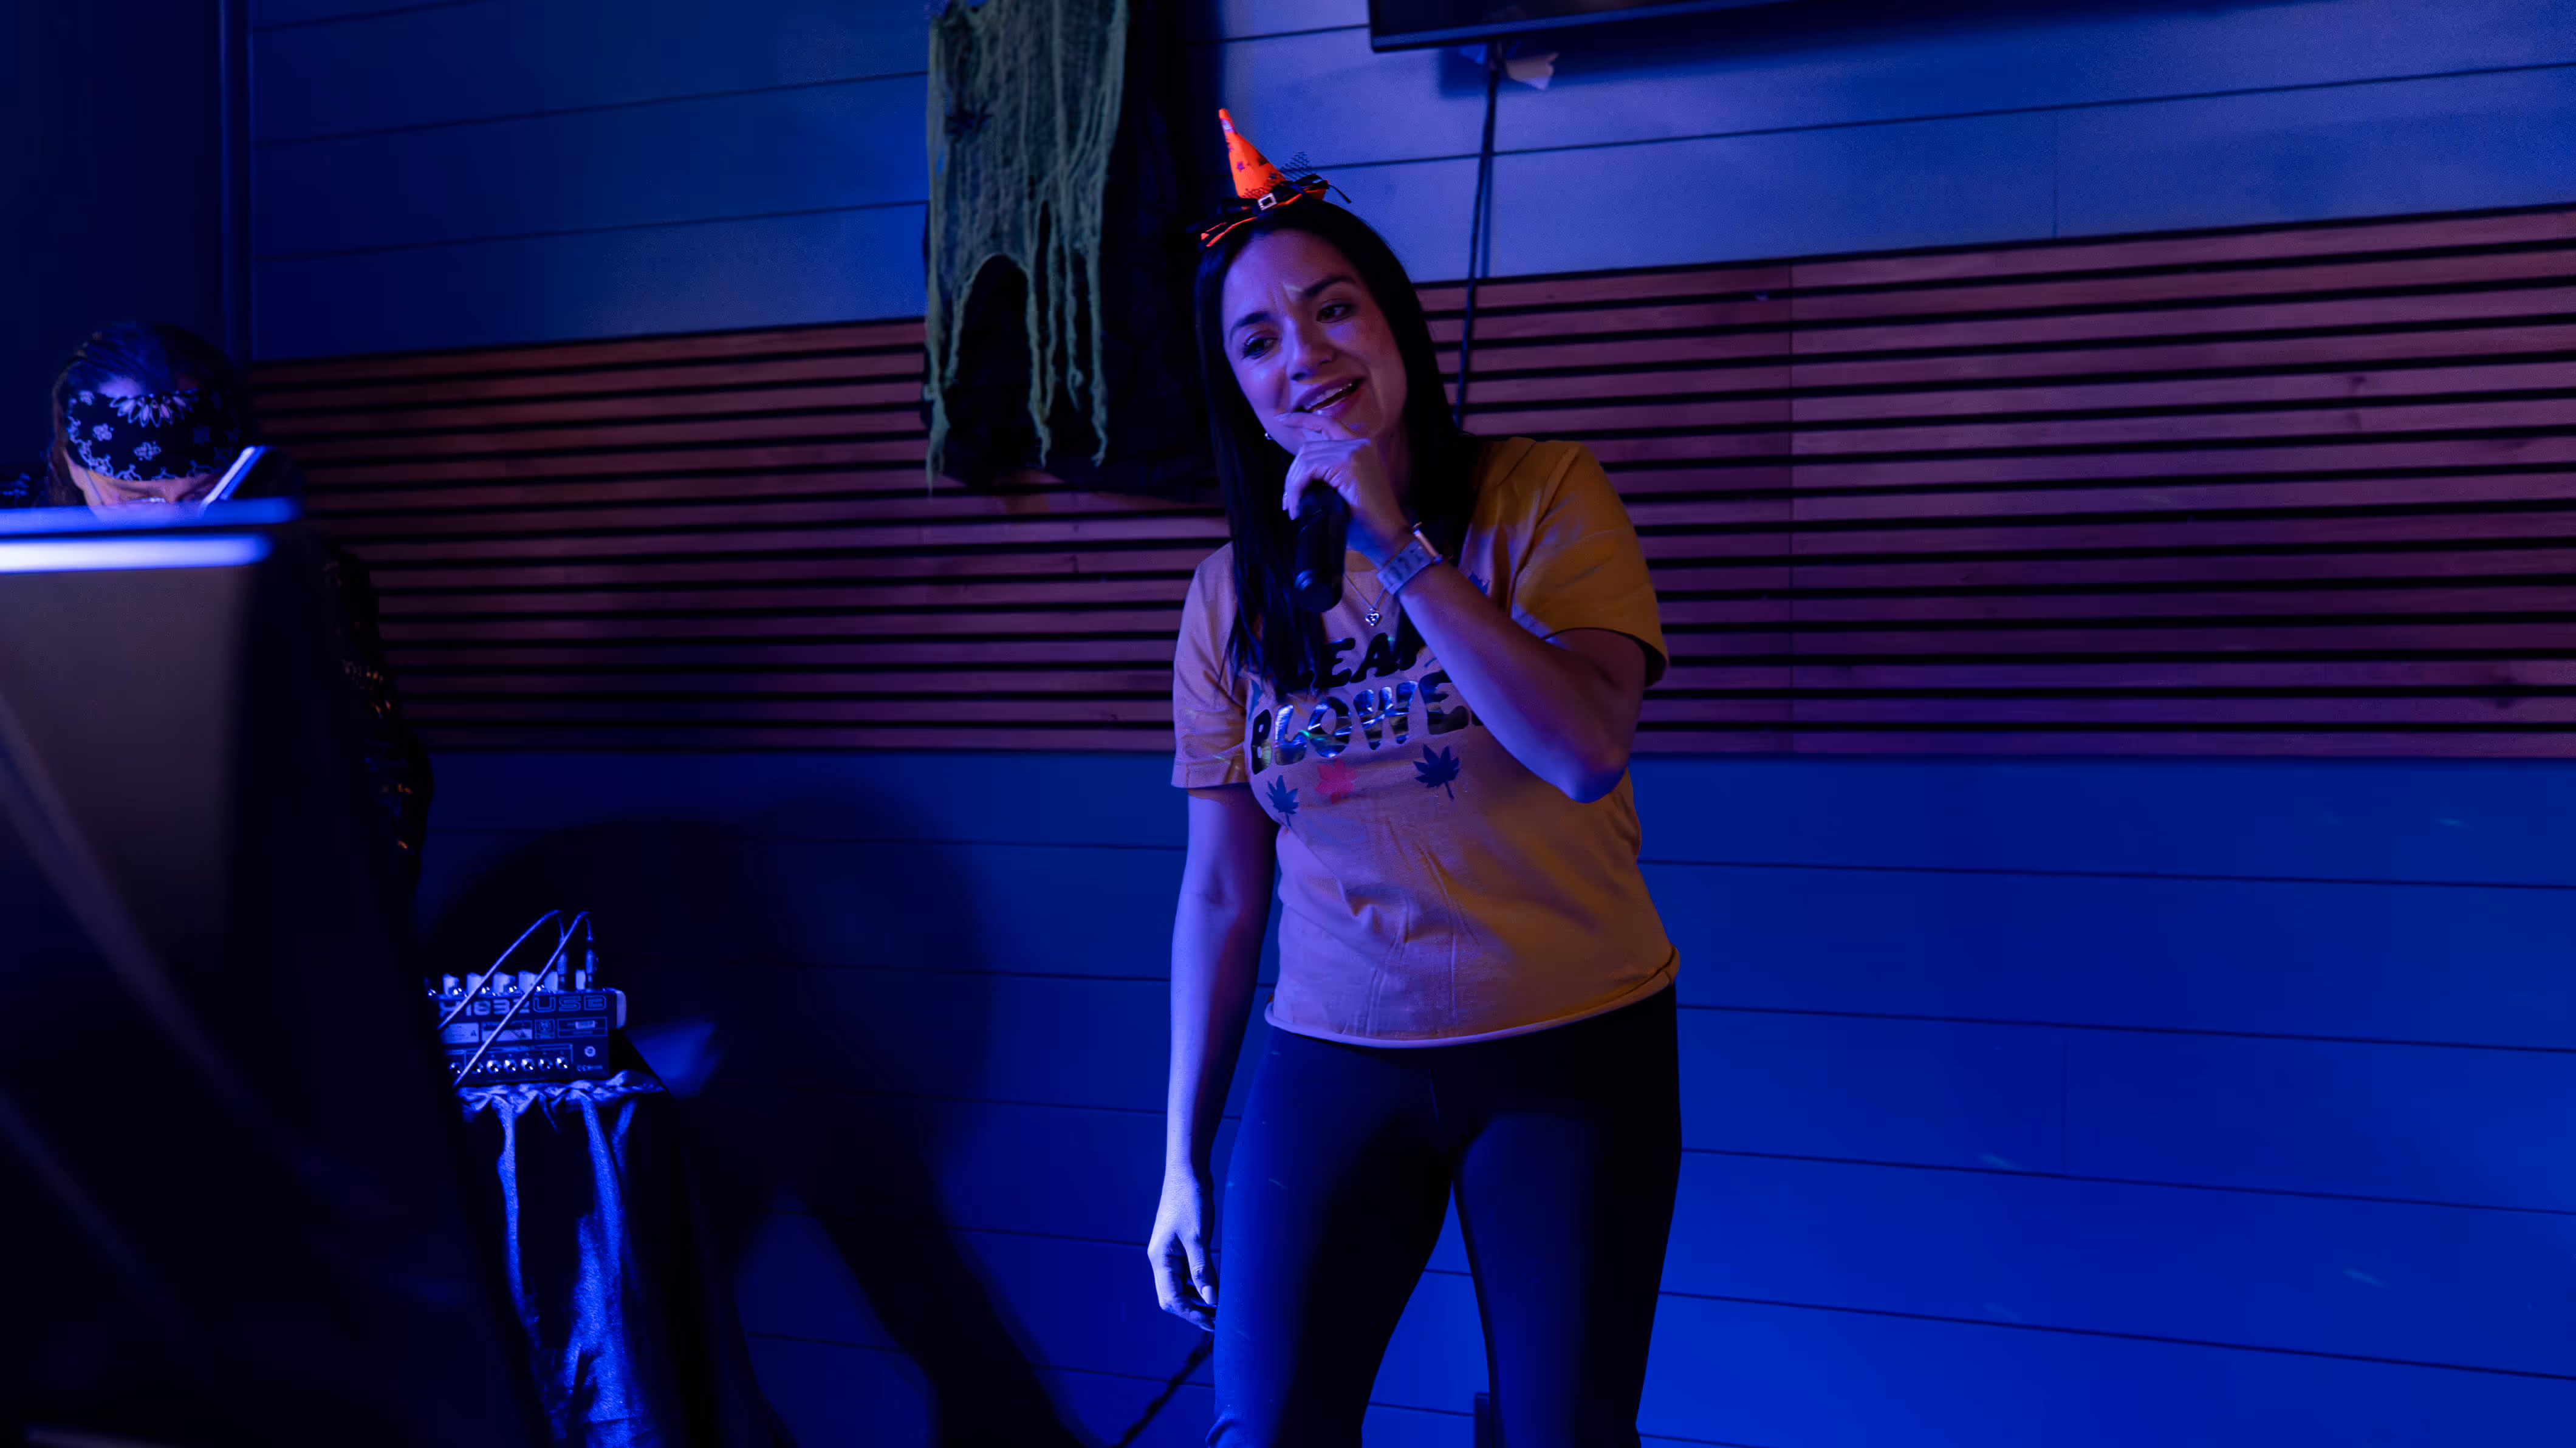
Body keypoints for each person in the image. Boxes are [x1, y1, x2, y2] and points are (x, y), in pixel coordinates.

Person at [1147, 114, 1682, 1446]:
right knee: (1264, 1432)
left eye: (1331, 309)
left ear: (1393, 325)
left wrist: (1393, 543)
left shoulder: (1543, 495)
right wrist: (1179, 1156)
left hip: (1569, 1050)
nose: (1304, 355)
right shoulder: (1227, 597)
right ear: (1235, 387)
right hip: (1332, 1058)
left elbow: (1580, 746)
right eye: (1258, 339)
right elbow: (1220, 895)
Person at [6, 321, 436, 881]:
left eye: (200, 493)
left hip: (242, 892)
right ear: (73, 465)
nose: (172, 518)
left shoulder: (303, 573)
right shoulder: (10, 535)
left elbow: (380, 772)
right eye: (136, 497)